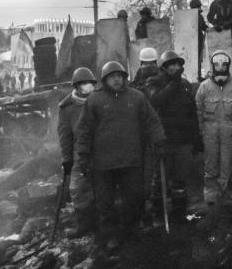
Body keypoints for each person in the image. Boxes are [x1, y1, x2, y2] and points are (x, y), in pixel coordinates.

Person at [76, 61, 166, 247]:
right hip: (103, 163)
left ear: (124, 78)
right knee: (105, 202)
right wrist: (83, 154)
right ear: (105, 79)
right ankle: (110, 235)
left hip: (130, 159)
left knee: (134, 199)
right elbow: (84, 129)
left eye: (119, 76)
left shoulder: (137, 97)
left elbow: (152, 121)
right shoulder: (94, 100)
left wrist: (159, 141)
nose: (116, 79)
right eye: (112, 76)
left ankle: (131, 231)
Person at [145, 50, 201, 214]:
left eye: (178, 65)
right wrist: (174, 83)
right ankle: (158, 213)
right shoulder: (154, 82)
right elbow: (156, 100)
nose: (176, 68)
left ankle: (179, 212)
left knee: (180, 178)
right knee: (160, 178)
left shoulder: (185, 84)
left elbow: (192, 112)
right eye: (172, 65)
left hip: (183, 139)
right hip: (164, 140)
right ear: (164, 67)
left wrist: (196, 138)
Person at [195, 50, 232, 204]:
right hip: (209, 133)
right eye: (217, 64)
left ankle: (228, 200)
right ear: (212, 66)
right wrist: (198, 134)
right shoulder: (204, 87)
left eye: (223, 64)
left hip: (229, 133)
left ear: (228, 65)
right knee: (211, 167)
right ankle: (211, 201)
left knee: (228, 166)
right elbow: (198, 112)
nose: (220, 67)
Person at [58, 67, 98, 238]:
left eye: (90, 84)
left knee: (103, 188)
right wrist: (67, 159)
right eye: (83, 84)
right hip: (79, 153)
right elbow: (65, 135)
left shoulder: (100, 100)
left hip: (101, 150)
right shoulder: (67, 107)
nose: (88, 87)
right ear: (76, 86)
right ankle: (83, 224)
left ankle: (103, 224)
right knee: (77, 188)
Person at [189, 0, 209, 69]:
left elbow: (204, 27)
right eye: (199, 6)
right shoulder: (189, 16)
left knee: (198, 59)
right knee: (195, 59)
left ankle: (198, 73)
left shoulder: (199, 16)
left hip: (198, 40)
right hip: (192, 41)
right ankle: (196, 73)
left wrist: (211, 29)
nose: (200, 8)